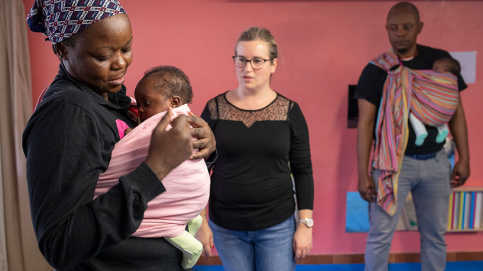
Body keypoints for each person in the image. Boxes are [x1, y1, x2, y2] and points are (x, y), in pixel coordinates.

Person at [22, 1, 216, 270]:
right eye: (103, 56)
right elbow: (60, 244)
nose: (121, 63)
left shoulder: (114, 99)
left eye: (126, 48)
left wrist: (201, 144)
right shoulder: (67, 114)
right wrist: (156, 167)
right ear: (63, 49)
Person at [355, 2, 470, 271]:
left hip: (436, 163)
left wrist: (464, 158)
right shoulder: (376, 70)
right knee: (380, 236)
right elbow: (365, 125)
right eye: (394, 28)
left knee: (435, 236)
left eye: (407, 27)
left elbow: (456, 113)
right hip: (392, 166)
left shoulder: (439, 62)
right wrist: (362, 173)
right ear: (387, 30)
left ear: (419, 28)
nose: (400, 33)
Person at [197, 27, 314, 271]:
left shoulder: (290, 112)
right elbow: (197, 170)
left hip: (277, 225)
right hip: (226, 226)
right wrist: (200, 221)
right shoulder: (214, 109)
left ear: (273, 64)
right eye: (241, 59)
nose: (247, 68)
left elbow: (303, 170)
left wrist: (305, 224)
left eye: (257, 61)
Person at [95, 66, 210, 269]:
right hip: (159, 212)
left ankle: (193, 248)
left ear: (174, 103)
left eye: (146, 103)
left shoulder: (172, 123)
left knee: (169, 229)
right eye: (138, 104)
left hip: (169, 217)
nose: (139, 110)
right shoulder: (139, 119)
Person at [408, 57, 462, 146]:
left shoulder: (441, 79)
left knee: (413, 114)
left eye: (436, 69)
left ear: (447, 72)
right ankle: (443, 129)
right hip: (445, 116)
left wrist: (408, 73)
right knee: (440, 109)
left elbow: (419, 77)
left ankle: (421, 132)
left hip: (434, 113)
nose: (432, 71)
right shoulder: (453, 84)